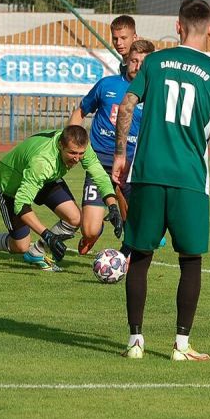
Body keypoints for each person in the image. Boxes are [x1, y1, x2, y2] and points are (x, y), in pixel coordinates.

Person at [111, 0, 210, 362]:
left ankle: (135, 341)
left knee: (140, 256)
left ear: (178, 26)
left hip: (148, 173)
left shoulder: (153, 62)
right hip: (189, 180)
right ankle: (181, 346)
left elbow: (126, 106)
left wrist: (120, 155)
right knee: (190, 260)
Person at [0, 125, 123, 271]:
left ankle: (37, 252)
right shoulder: (42, 162)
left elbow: (100, 175)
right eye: (72, 153)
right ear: (61, 145)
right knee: (20, 246)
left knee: (75, 218)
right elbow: (21, 204)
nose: (77, 158)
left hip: (47, 179)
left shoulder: (80, 146)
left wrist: (112, 205)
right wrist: (47, 235)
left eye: (80, 154)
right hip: (10, 186)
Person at [67, 39, 155, 256]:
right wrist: (70, 140)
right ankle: (96, 230)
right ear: (128, 61)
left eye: (143, 63)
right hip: (99, 162)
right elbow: (80, 112)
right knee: (89, 229)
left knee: (138, 223)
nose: (137, 66)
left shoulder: (155, 94)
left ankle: (125, 255)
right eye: (134, 61)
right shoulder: (107, 85)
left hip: (133, 165)